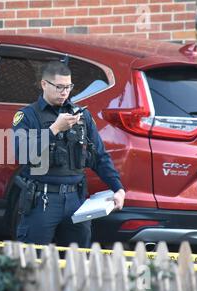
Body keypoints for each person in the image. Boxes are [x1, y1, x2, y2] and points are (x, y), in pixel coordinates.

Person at [12, 61, 125, 248]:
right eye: (59, 87)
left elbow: (99, 155)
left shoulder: (80, 115)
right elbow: (23, 154)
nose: (64, 92)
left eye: (68, 87)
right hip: (42, 200)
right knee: (33, 262)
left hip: (76, 200)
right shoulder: (28, 116)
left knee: (78, 262)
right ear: (44, 84)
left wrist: (118, 188)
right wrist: (55, 129)